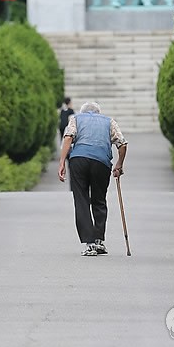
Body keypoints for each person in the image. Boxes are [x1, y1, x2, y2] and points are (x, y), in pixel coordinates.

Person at [58, 101, 128, 256]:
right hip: (101, 162)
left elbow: (68, 138)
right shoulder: (109, 121)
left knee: (81, 200)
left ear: (83, 112)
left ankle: (89, 244)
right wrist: (119, 165)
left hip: (79, 161)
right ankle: (99, 241)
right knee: (99, 200)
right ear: (98, 113)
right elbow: (122, 144)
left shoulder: (76, 119)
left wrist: (62, 162)